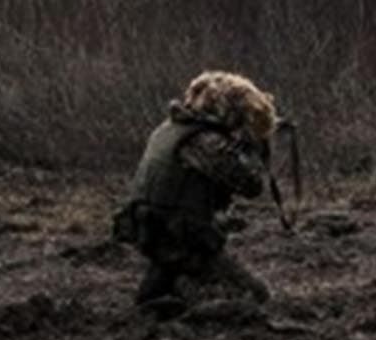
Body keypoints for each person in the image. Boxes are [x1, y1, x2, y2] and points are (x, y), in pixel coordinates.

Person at [114, 70, 277, 310]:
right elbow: (250, 184)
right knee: (255, 296)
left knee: (170, 269)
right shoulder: (204, 141)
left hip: (151, 231)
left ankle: (157, 295)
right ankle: (187, 303)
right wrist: (252, 144)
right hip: (180, 237)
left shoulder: (169, 129)